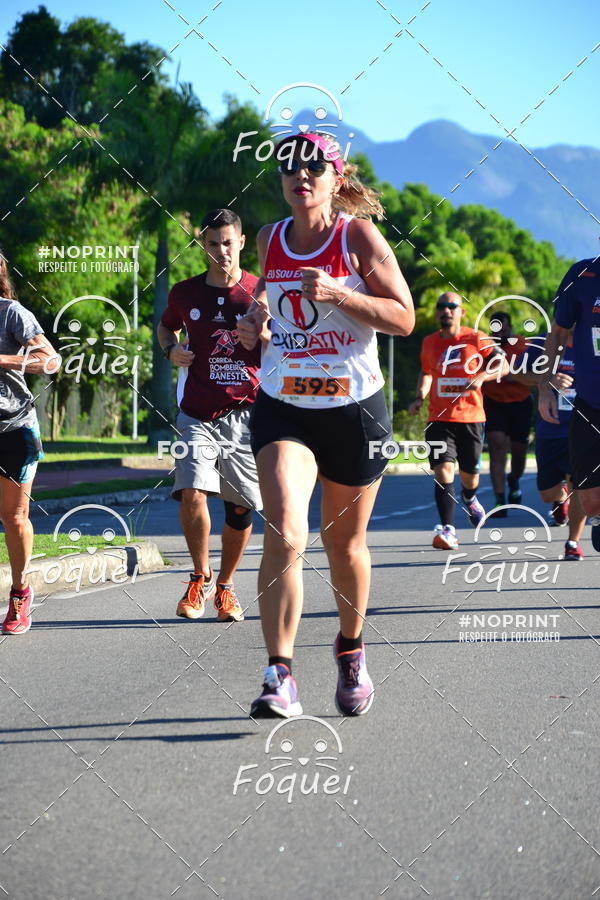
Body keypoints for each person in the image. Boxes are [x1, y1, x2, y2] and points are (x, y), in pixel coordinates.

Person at [237, 132, 414, 718]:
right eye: (289, 167)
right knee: (285, 530)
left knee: (344, 545)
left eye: (314, 166)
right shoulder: (269, 238)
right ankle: (279, 675)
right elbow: (275, 305)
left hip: (354, 408)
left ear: (337, 179)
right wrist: (256, 323)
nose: (300, 175)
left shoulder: (357, 236)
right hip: (283, 402)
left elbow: (403, 317)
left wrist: (340, 294)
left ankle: (351, 649)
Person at [158, 209, 262, 622]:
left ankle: (226, 586)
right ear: (203, 245)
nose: (221, 251)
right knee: (193, 491)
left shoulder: (260, 291)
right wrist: (171, 350)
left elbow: (287, 343)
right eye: (213, 243)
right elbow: (167, 329)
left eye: (228, 243)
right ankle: (199, 576)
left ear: (241, 242)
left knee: (239, 509)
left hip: (247, 415)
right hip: (197, 411)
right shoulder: (184, 293)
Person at [408, 293, 508, 550]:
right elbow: (426, 371)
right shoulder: (429, 342)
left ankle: (470, 497)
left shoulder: (476, 338)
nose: (446, 311)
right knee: (443, 471)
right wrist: (419, 397)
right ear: (437, 312)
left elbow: (503, 364)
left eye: (452, 306)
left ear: (461, 312)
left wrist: (483, 376)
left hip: (471, 418)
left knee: (469, 476)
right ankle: (448, 529)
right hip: (438, 419)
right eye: (441, 306)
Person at [0, 252, 60, 635]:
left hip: (14, 426)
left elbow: (50, 360)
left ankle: (20, 592)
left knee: (13, 517)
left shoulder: (11, 313)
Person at [539, 257, 600, 551]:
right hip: (591, 402)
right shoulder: (583, 274)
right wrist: (546, 385)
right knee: (589, 501)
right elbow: (559, 333)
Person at [526, 334, 586, 559]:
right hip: (550, 429)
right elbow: (518, 374)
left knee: (578, 485)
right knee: (546, 493)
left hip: (582, 428)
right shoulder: (542, 344)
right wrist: (547, 380)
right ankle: (560, 499)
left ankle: (573, 542)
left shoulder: (591, 341)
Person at [482, 312, 533, 516]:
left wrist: (514, 374)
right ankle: (499, 500)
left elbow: (535, 374)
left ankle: (514, 479)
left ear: (510, 327)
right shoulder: (484, 347)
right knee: (496, 445)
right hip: (494, 403)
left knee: (519, 450)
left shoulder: (522, 345)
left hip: (521, 403)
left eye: (503, 328)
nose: (500, 332)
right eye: (495, 328)